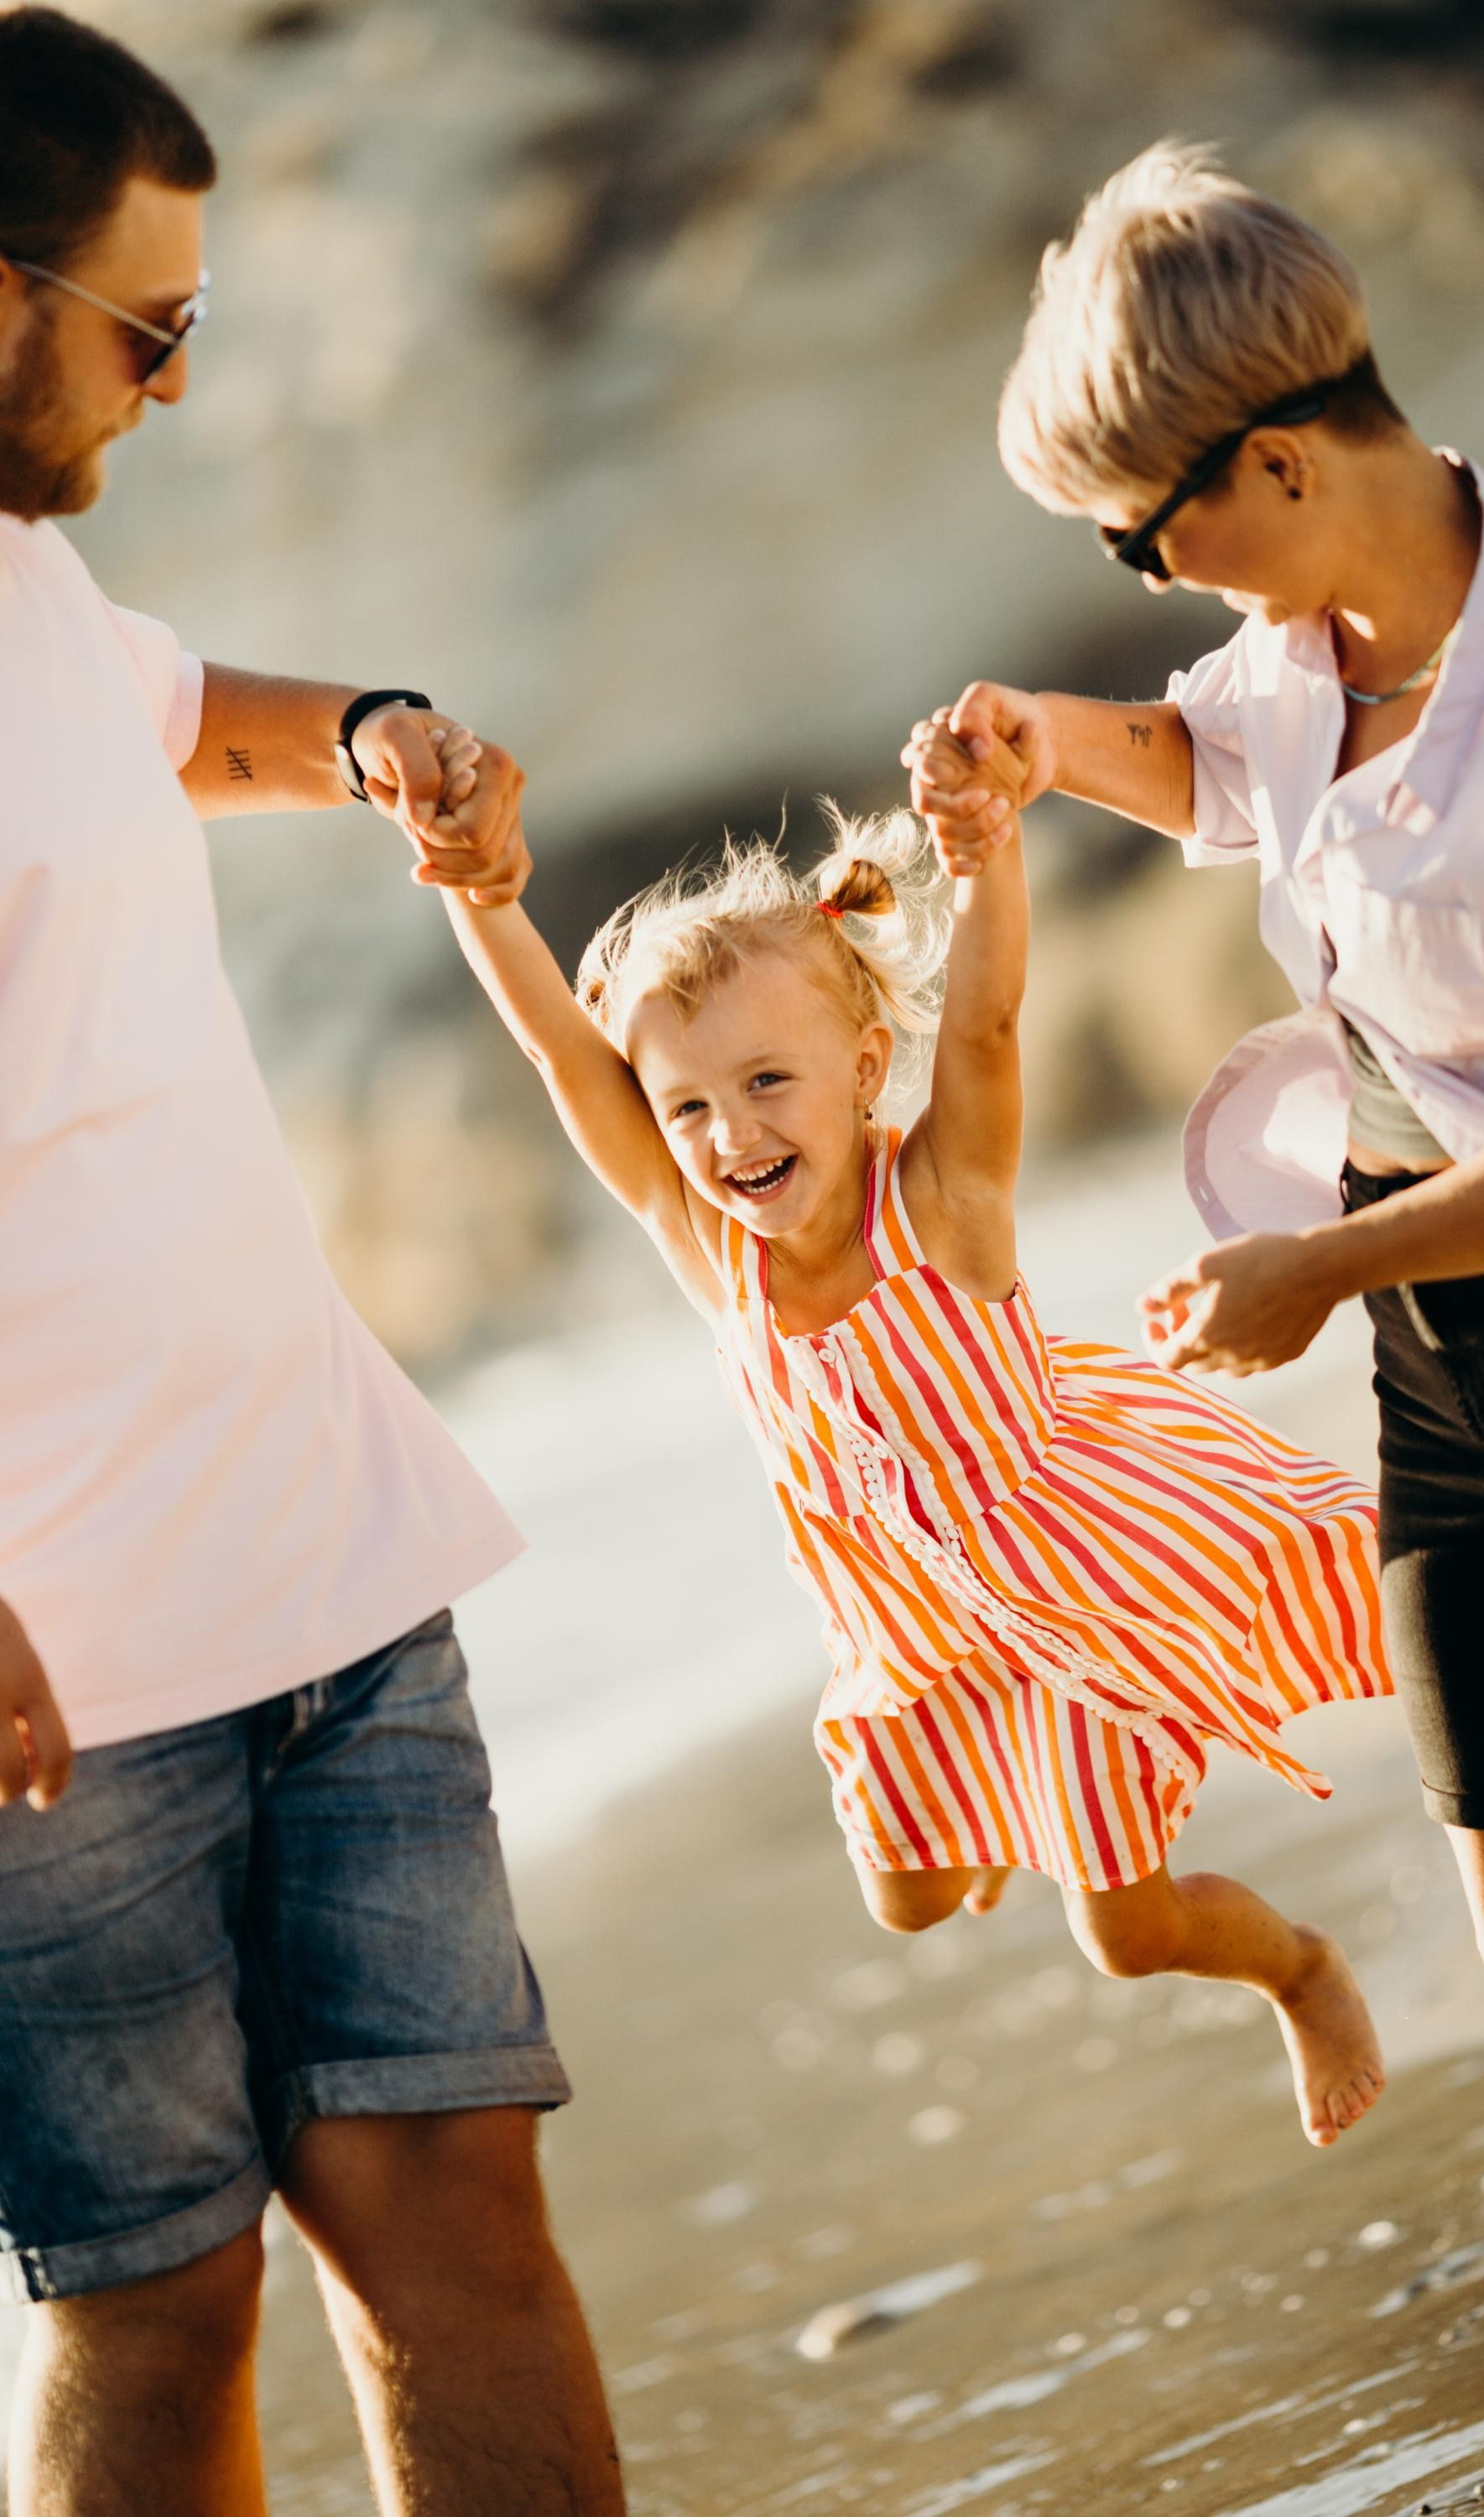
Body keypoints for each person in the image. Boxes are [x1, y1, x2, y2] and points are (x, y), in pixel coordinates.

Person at [908, 138, 1484, 2517]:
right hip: (1442, 1345)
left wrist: (1314, 1270)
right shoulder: (1300, 648)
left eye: (1149, 533)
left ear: (1277, 461)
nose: (1146, 576)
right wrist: (1045, 739)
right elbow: (1218, 768)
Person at [0, 12, 621, 2513]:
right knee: (163, 2306)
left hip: (327, 1562)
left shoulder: (32, 573)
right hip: (54, 1673)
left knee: (459, 2204)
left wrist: (370, 730)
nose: (169, 388)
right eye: (154, 330)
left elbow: (166, 724)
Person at [427, 693, 1393, 2153]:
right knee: (909, 1895)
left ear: (864, 1070)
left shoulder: (943, 1208)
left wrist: (989, 847)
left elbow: (994, 1017)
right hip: (907, 1640)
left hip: (1070, 1600)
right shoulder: (712, 1255)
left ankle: (1302, 1970)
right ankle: (987, 1812)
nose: (733, 1138)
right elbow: (570, 1059)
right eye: (688, 1109)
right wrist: (482, 899)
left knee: (1124, 1935)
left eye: (768, 1084)